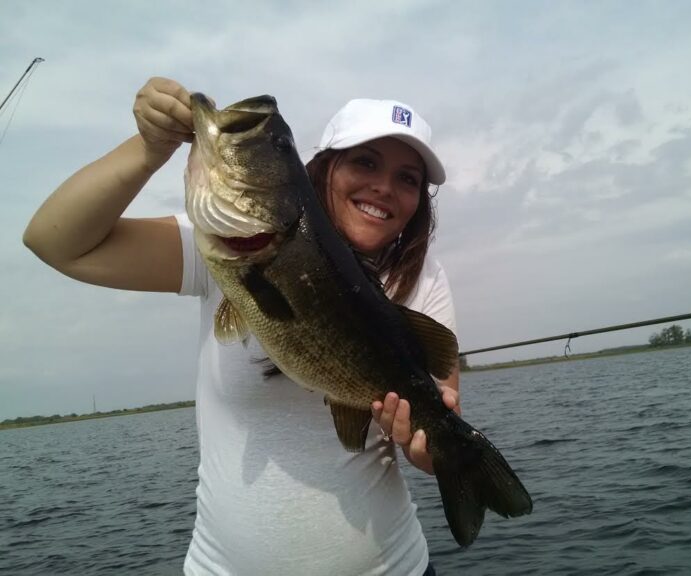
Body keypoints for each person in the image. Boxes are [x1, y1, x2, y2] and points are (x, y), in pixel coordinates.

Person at [23, 77, 459, 576]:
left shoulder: (424, 280)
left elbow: (437, 444)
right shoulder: (225, 244)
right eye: (365, 162)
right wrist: (149, 150)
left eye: (408, 178)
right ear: (323, 169)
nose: (384, 186)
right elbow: (56, 242)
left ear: (419, 201)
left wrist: (422, 445)